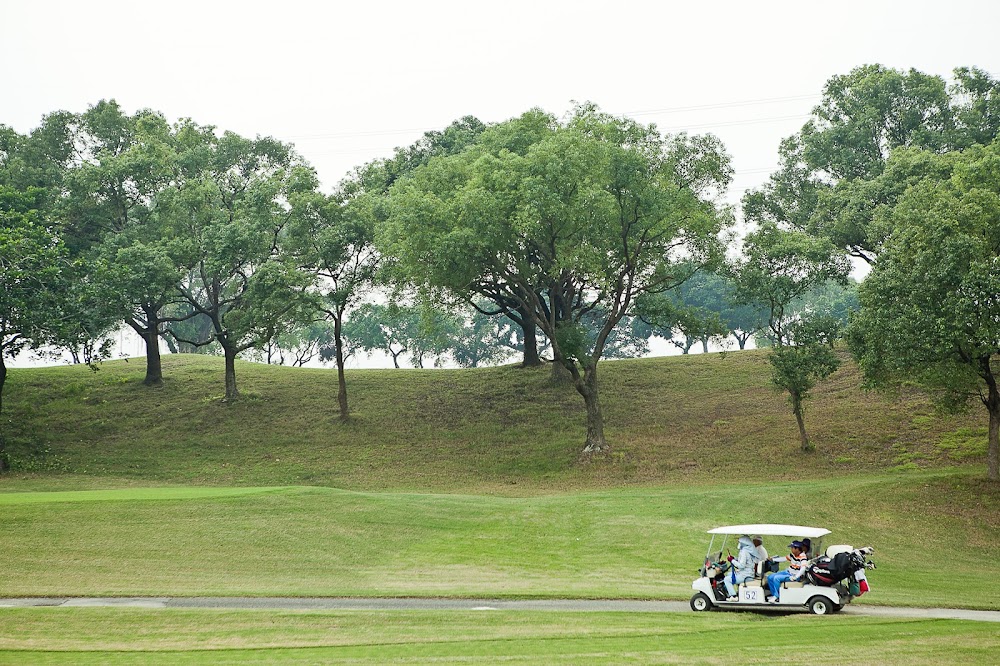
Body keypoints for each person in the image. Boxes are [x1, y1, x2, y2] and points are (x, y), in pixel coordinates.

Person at [723, 535, 761, 601]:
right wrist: (734, 558)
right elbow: (743, 561)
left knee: (727, 579)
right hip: (747, 573)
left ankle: (733, 596)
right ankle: (729, 592)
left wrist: (732, 560)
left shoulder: (744, 552)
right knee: (729, 574)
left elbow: (741, 565)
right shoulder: (747, 550)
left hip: (745, 575)